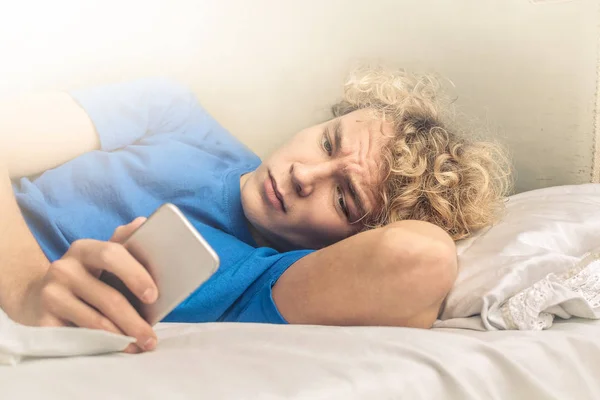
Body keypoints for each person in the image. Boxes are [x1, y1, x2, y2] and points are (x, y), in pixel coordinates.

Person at [0, 67, 510, 353]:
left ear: (356, 238)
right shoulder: (170, 113)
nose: (304, 175)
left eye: (343, 197)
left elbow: (419, 259)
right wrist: (27, 287)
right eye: (329, 143)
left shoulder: (267, 280)